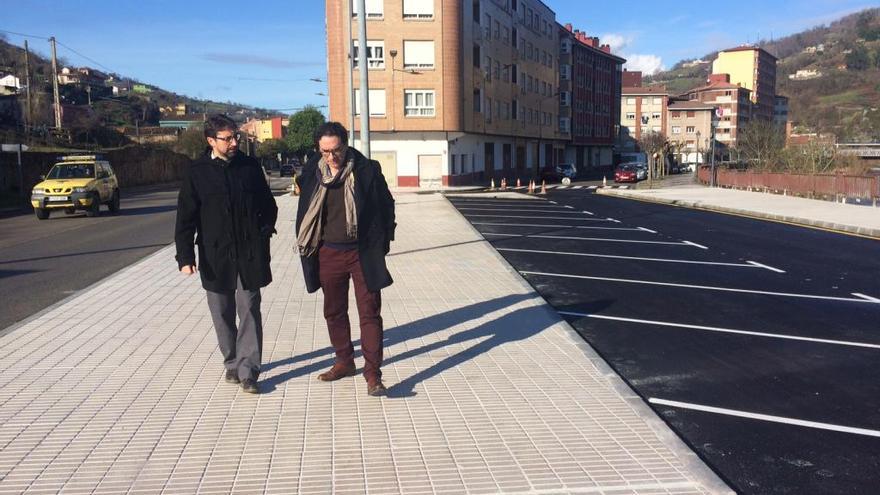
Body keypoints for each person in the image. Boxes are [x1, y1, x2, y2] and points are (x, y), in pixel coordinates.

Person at [175, 114, 278, 394]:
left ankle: (249, 370)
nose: (234, 142)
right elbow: (185, 218)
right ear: (211, 140)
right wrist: (185, 257)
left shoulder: (250, 167)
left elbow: (268, 205)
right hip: (214, 255)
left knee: (250, 309)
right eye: (227, 138)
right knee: (221, 313)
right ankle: (231, 361)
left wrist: (264, 231)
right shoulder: (197, 172)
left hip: (248, 253)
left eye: (236, 137)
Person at [295, 122, 395, 397]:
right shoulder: (313, 171)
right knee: (334, 311)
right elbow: (306, 209)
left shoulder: (368, 169)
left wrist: (383, 243)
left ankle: (373, 375)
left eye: (335, 150)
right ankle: (344, 361)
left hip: (362, 252)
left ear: (346, 144)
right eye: (324, 152)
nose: (331, 157)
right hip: (328, 251)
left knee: (369, 313)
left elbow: (386, 206)